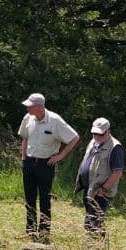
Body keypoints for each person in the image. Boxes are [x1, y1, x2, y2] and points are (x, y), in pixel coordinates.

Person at [17, 92, 79, 242]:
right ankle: (30, 230)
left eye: (29, 106)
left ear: (39, 107)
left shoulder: (55, 120)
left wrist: (60, 156)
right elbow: (24, 137)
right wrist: (24, 158)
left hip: (46, 165)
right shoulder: (28, 118)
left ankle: (44, 233)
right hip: (30, 163)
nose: (27, 109)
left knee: (45, 200)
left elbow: (74, 137)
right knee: (29, 198)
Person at [75, 117, 126, 241]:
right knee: (93, 219)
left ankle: (93, 248)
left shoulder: (115, 147)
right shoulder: (93, 142)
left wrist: (103, 189)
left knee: (92, 222)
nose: (96, 136)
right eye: (94, 133)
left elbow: (117, 173)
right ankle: (99, 245)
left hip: (100, 191)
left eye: (100, 134)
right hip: (89, 188)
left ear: (108, 132)